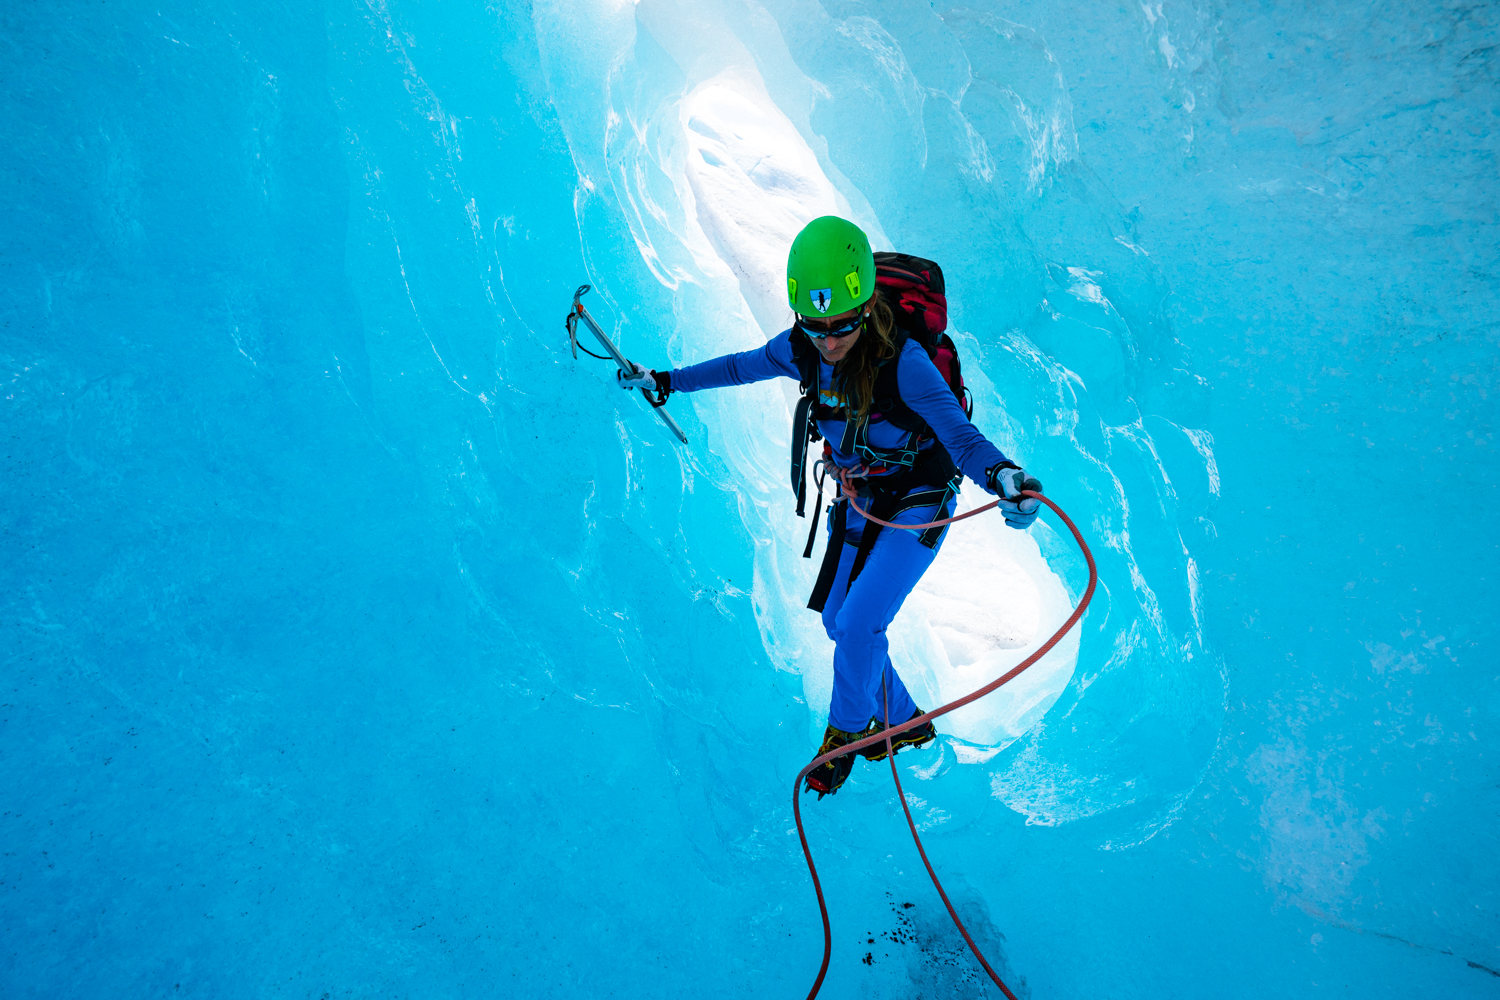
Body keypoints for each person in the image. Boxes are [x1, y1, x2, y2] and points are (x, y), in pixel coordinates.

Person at [616, 216, 1043, 798]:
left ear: (866, 307)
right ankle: (903, 723)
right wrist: (668, 380)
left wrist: (1006, 478)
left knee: (862, 620)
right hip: (861, 494)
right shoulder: (803, 350)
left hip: (920, 496)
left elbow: (963, 441)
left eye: (842, 325)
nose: (829, 340)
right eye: (815, 326)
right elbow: (741, 367)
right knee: (837, 620)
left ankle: (845, 735)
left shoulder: (905, 364)